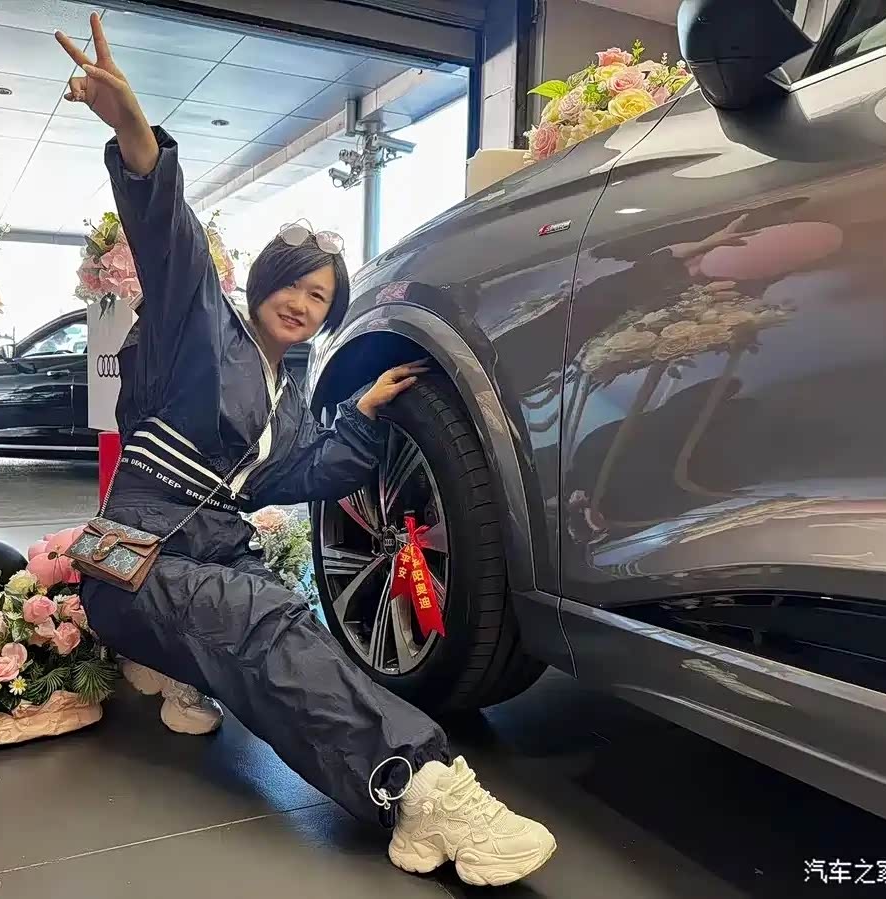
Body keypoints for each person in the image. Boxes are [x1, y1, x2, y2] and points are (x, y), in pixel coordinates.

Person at [56, 14, 557, 888]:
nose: (302, 302)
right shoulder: (198, 326)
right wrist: (134, 129)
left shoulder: (290, 406)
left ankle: (178, 670)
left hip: (214, 556)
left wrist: (359, 412)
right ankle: (421, 792)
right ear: (263, 282)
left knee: (273, 614)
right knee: (260, 620)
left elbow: (315, 471)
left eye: (321, 297)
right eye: (292, 283)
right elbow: (170, 240)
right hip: (132, 556)